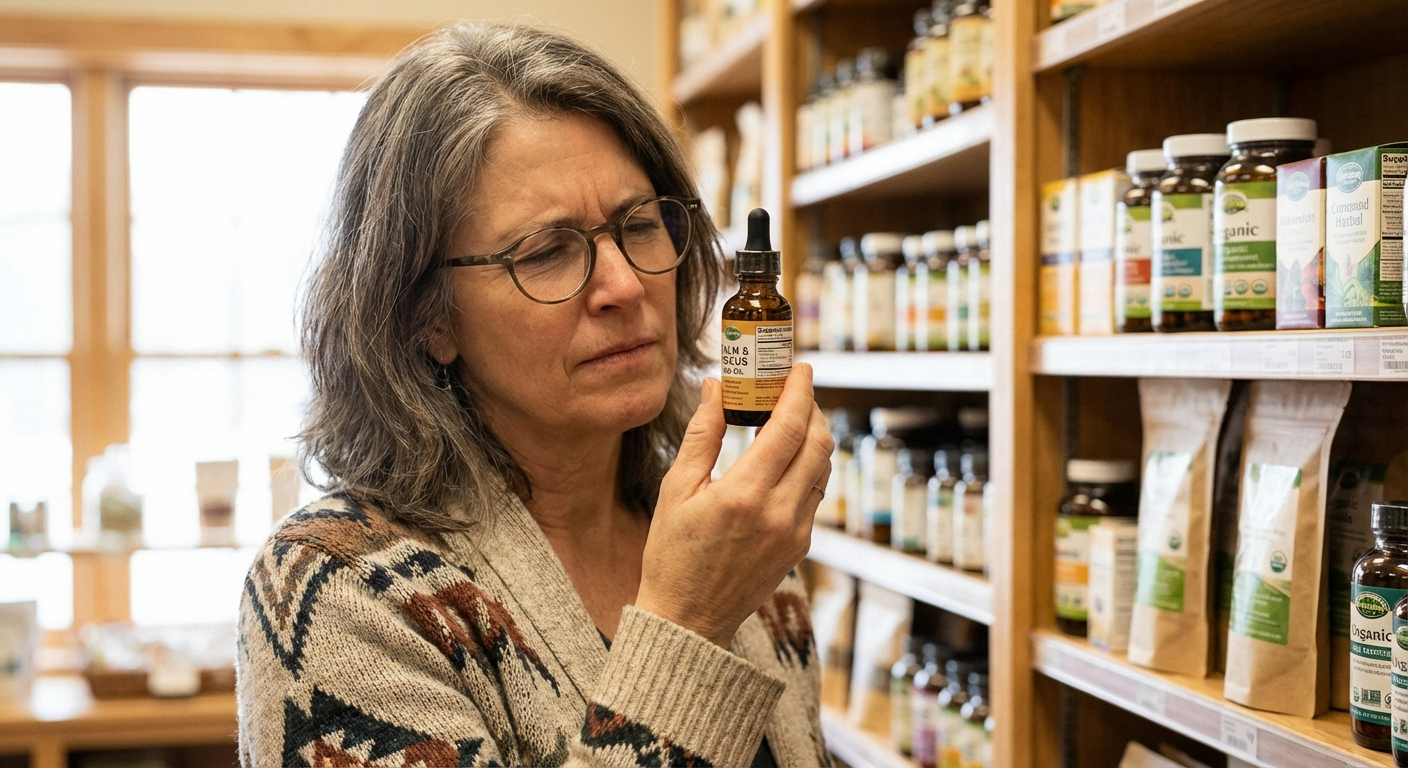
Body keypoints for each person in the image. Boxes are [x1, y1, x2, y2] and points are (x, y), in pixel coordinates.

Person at [235, 21, 835, 768]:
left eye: (639, 225)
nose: (625, 285)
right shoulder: (340, 589)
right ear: (428, 318)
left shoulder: (739, 538)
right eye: (547, 252)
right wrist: (688, 625)